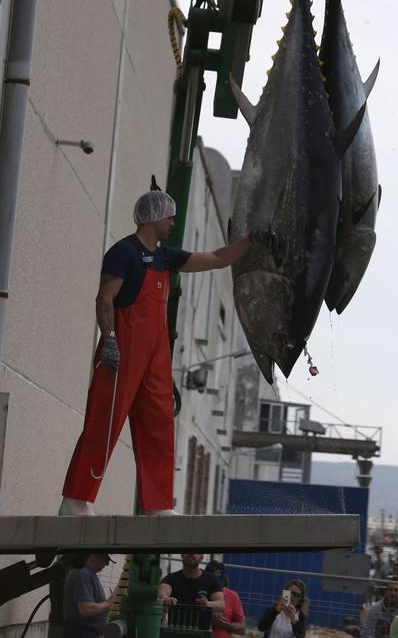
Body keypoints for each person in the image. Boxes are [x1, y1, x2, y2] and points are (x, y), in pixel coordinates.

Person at [59, 189, 269, 516]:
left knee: (159, 427)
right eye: (169, 216)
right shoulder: (123, 253)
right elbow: (104, 299)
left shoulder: (165, 256)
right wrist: (109, 339)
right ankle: (75, 500)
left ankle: (158, 505)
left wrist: (250, 241)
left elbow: (218, 258)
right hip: (121, 352)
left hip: (155, 357)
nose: (173, 221)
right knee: (105, 422)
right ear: (153, 217)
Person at [158, 552, 225, 630]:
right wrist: (166, 598)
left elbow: (221, 605)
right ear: (182, 555)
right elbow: (163, 591)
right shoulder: (171, 578)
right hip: (174, 632)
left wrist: (207, 604)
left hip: (201, 633)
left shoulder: (212, 580)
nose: (191, 553)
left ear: (202, 557)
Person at [63, 551, 115, 638]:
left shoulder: (89, 574)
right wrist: (108, 604)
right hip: (81, 632)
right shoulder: (82, 574)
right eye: (106, 559)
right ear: (94, 555)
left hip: (87, 632)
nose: (107, 564)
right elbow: (86, 609)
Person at [204, 560, 246, 638]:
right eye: (212, 583)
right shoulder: (199, 592)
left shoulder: (232, 595)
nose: (215, 587)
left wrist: (226, 625)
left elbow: (242, 629)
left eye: (218, 584)